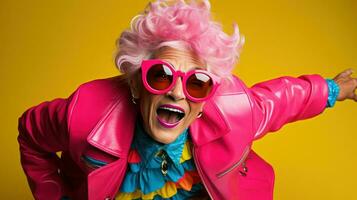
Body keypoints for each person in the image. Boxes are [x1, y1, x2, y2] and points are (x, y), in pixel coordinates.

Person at [17, 0, 357, 200]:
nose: (177, 92)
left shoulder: (235, 112)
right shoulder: (83, 115)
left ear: (207, 99)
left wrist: (333, 89)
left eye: (196, 83)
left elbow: (281, 100)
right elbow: (31, 136)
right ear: (135, 84)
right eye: (161, 75)